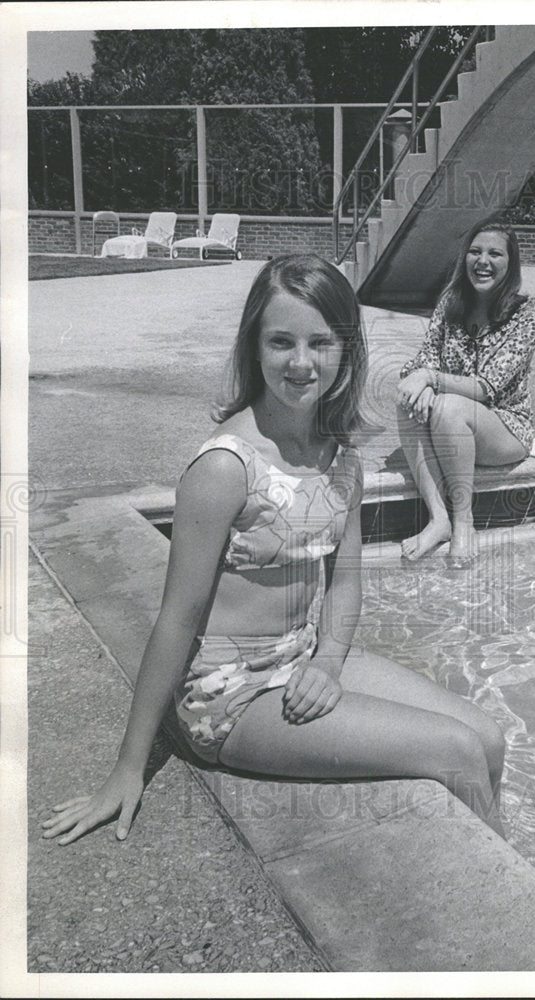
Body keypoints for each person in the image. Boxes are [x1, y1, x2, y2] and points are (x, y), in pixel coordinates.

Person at [42, 254, 506, 844]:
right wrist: (127, 767)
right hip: (226, 693)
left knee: (488, 736)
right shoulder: (225, 468)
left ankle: (512, 862)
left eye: (321, 342)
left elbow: (343, 582)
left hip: (302, 656)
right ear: (254, 348)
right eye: (281, 342)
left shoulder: (340, 460)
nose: (301, 362)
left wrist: (329, 662)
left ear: (347, 350)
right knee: (457, 751)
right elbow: (176, 618)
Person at [396, 219, 535, 567]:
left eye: (495, 254)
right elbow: (426, 356)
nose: (483, 261)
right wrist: (418, 381)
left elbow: (487, 387)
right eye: (475, 252)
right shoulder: (450, 303)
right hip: (452, 420)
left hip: (505, 429)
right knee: (408, 398)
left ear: (511, 264)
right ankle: (439, 520)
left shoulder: (526, 319)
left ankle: (465, 522)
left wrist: (431, 378)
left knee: (447, 407)